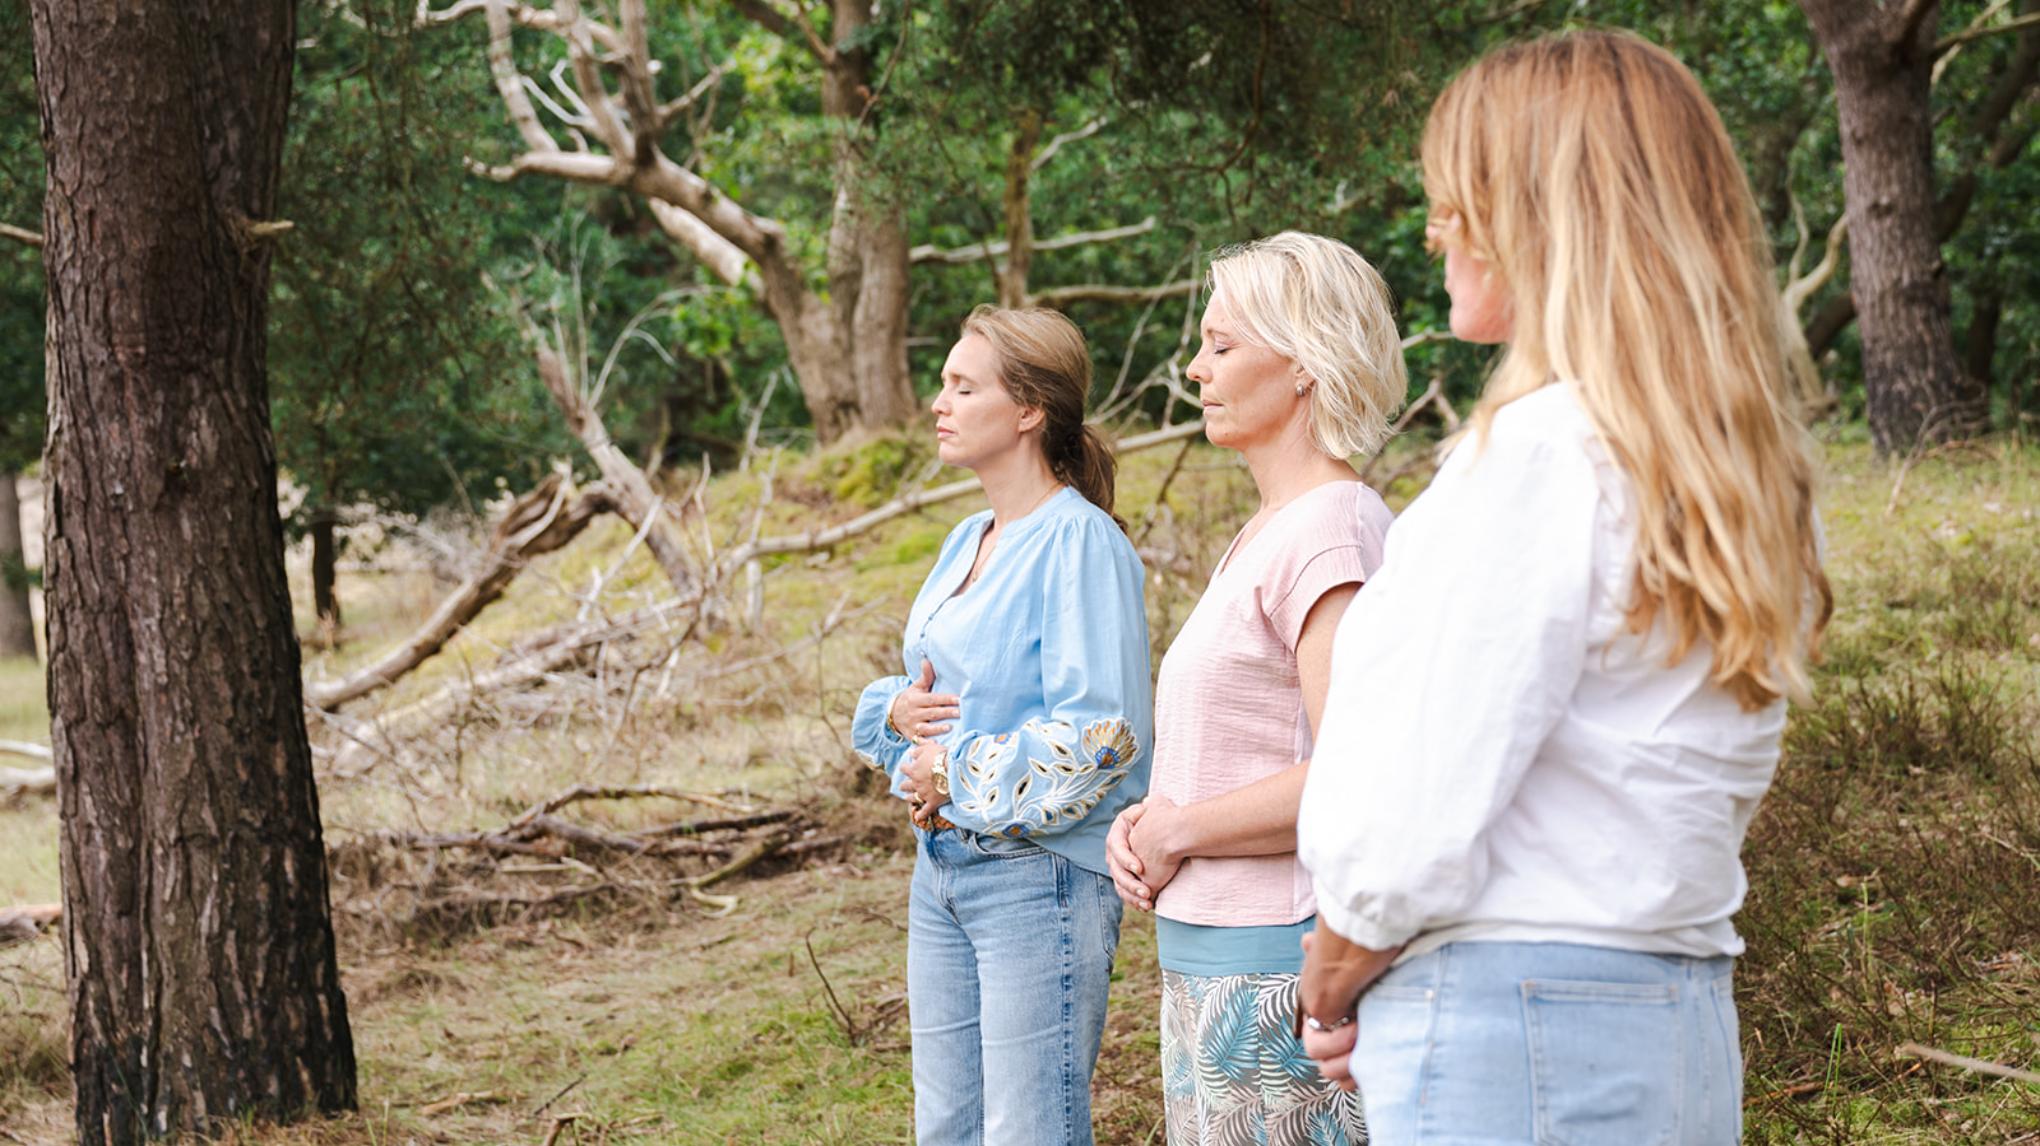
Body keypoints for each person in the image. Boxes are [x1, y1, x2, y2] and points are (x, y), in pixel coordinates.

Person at [1292, 30, 1832, 1146]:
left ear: (1540, 217)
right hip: (1672, 1006)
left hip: (1509, 1015)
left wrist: (1336, 966)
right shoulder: (1737, 469)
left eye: (1457, 201)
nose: (1436, 230)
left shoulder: (1542, 456)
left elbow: (1425, 781)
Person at [1104, 231, 1405, 1146]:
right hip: (1207, 960)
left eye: (1222, 345)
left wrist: (1180, 828)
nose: (1195, 368)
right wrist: (1145, 818)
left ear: (1307, 364)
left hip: (1278, 970)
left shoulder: (1332, 530)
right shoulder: (1271, 529)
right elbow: (1237, 745)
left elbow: (1354, 773)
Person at [852, 305, 1153, 1146]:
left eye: (961, 386)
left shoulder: (1080, 545)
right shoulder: (967, 536)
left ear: (1028, 410)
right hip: (941, 871)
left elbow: (1103, 736)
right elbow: (938, 690)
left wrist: (950, 773)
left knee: (1030, 1132)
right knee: (945, 1129)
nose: (937, 403)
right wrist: (895, 714)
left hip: (1041, 881)